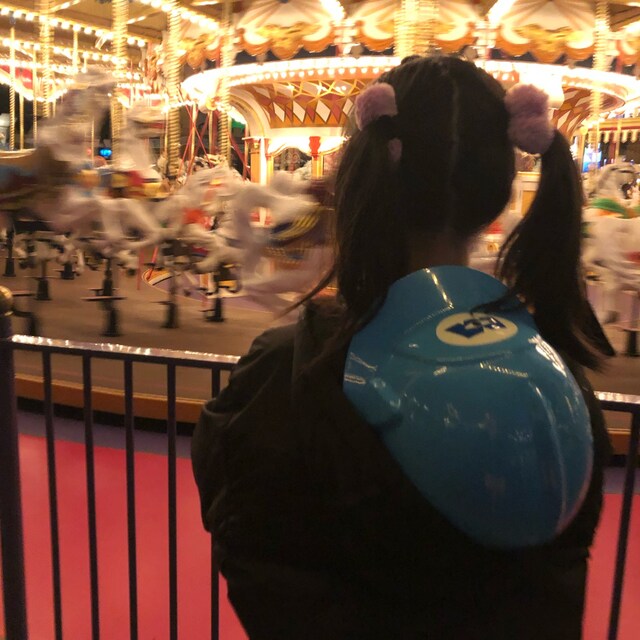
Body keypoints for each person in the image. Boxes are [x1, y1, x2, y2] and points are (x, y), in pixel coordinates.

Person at [191, 55, 611, 639]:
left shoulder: (288, 376)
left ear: (363, 176)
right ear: (498, 194)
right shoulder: (559, 380)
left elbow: (255, 551)